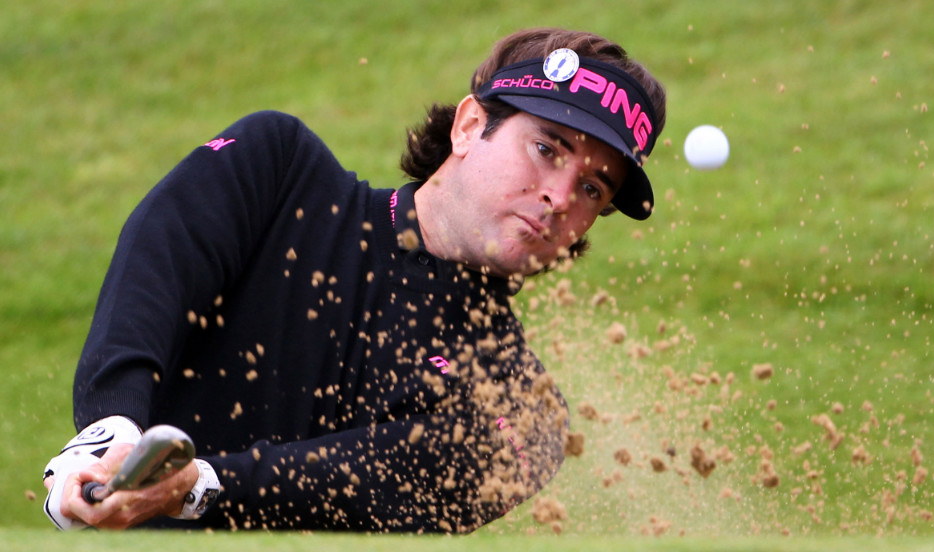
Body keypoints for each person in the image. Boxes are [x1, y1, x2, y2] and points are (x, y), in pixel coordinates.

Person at [42, 27, 667, 532]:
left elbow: (370, 479)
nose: (560, 196)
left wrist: (199, 486)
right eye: (548, 148)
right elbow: (158, 268)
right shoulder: (280, 172)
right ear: (471, 126)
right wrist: (110, 430)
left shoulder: (522, 408)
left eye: (592, 188)